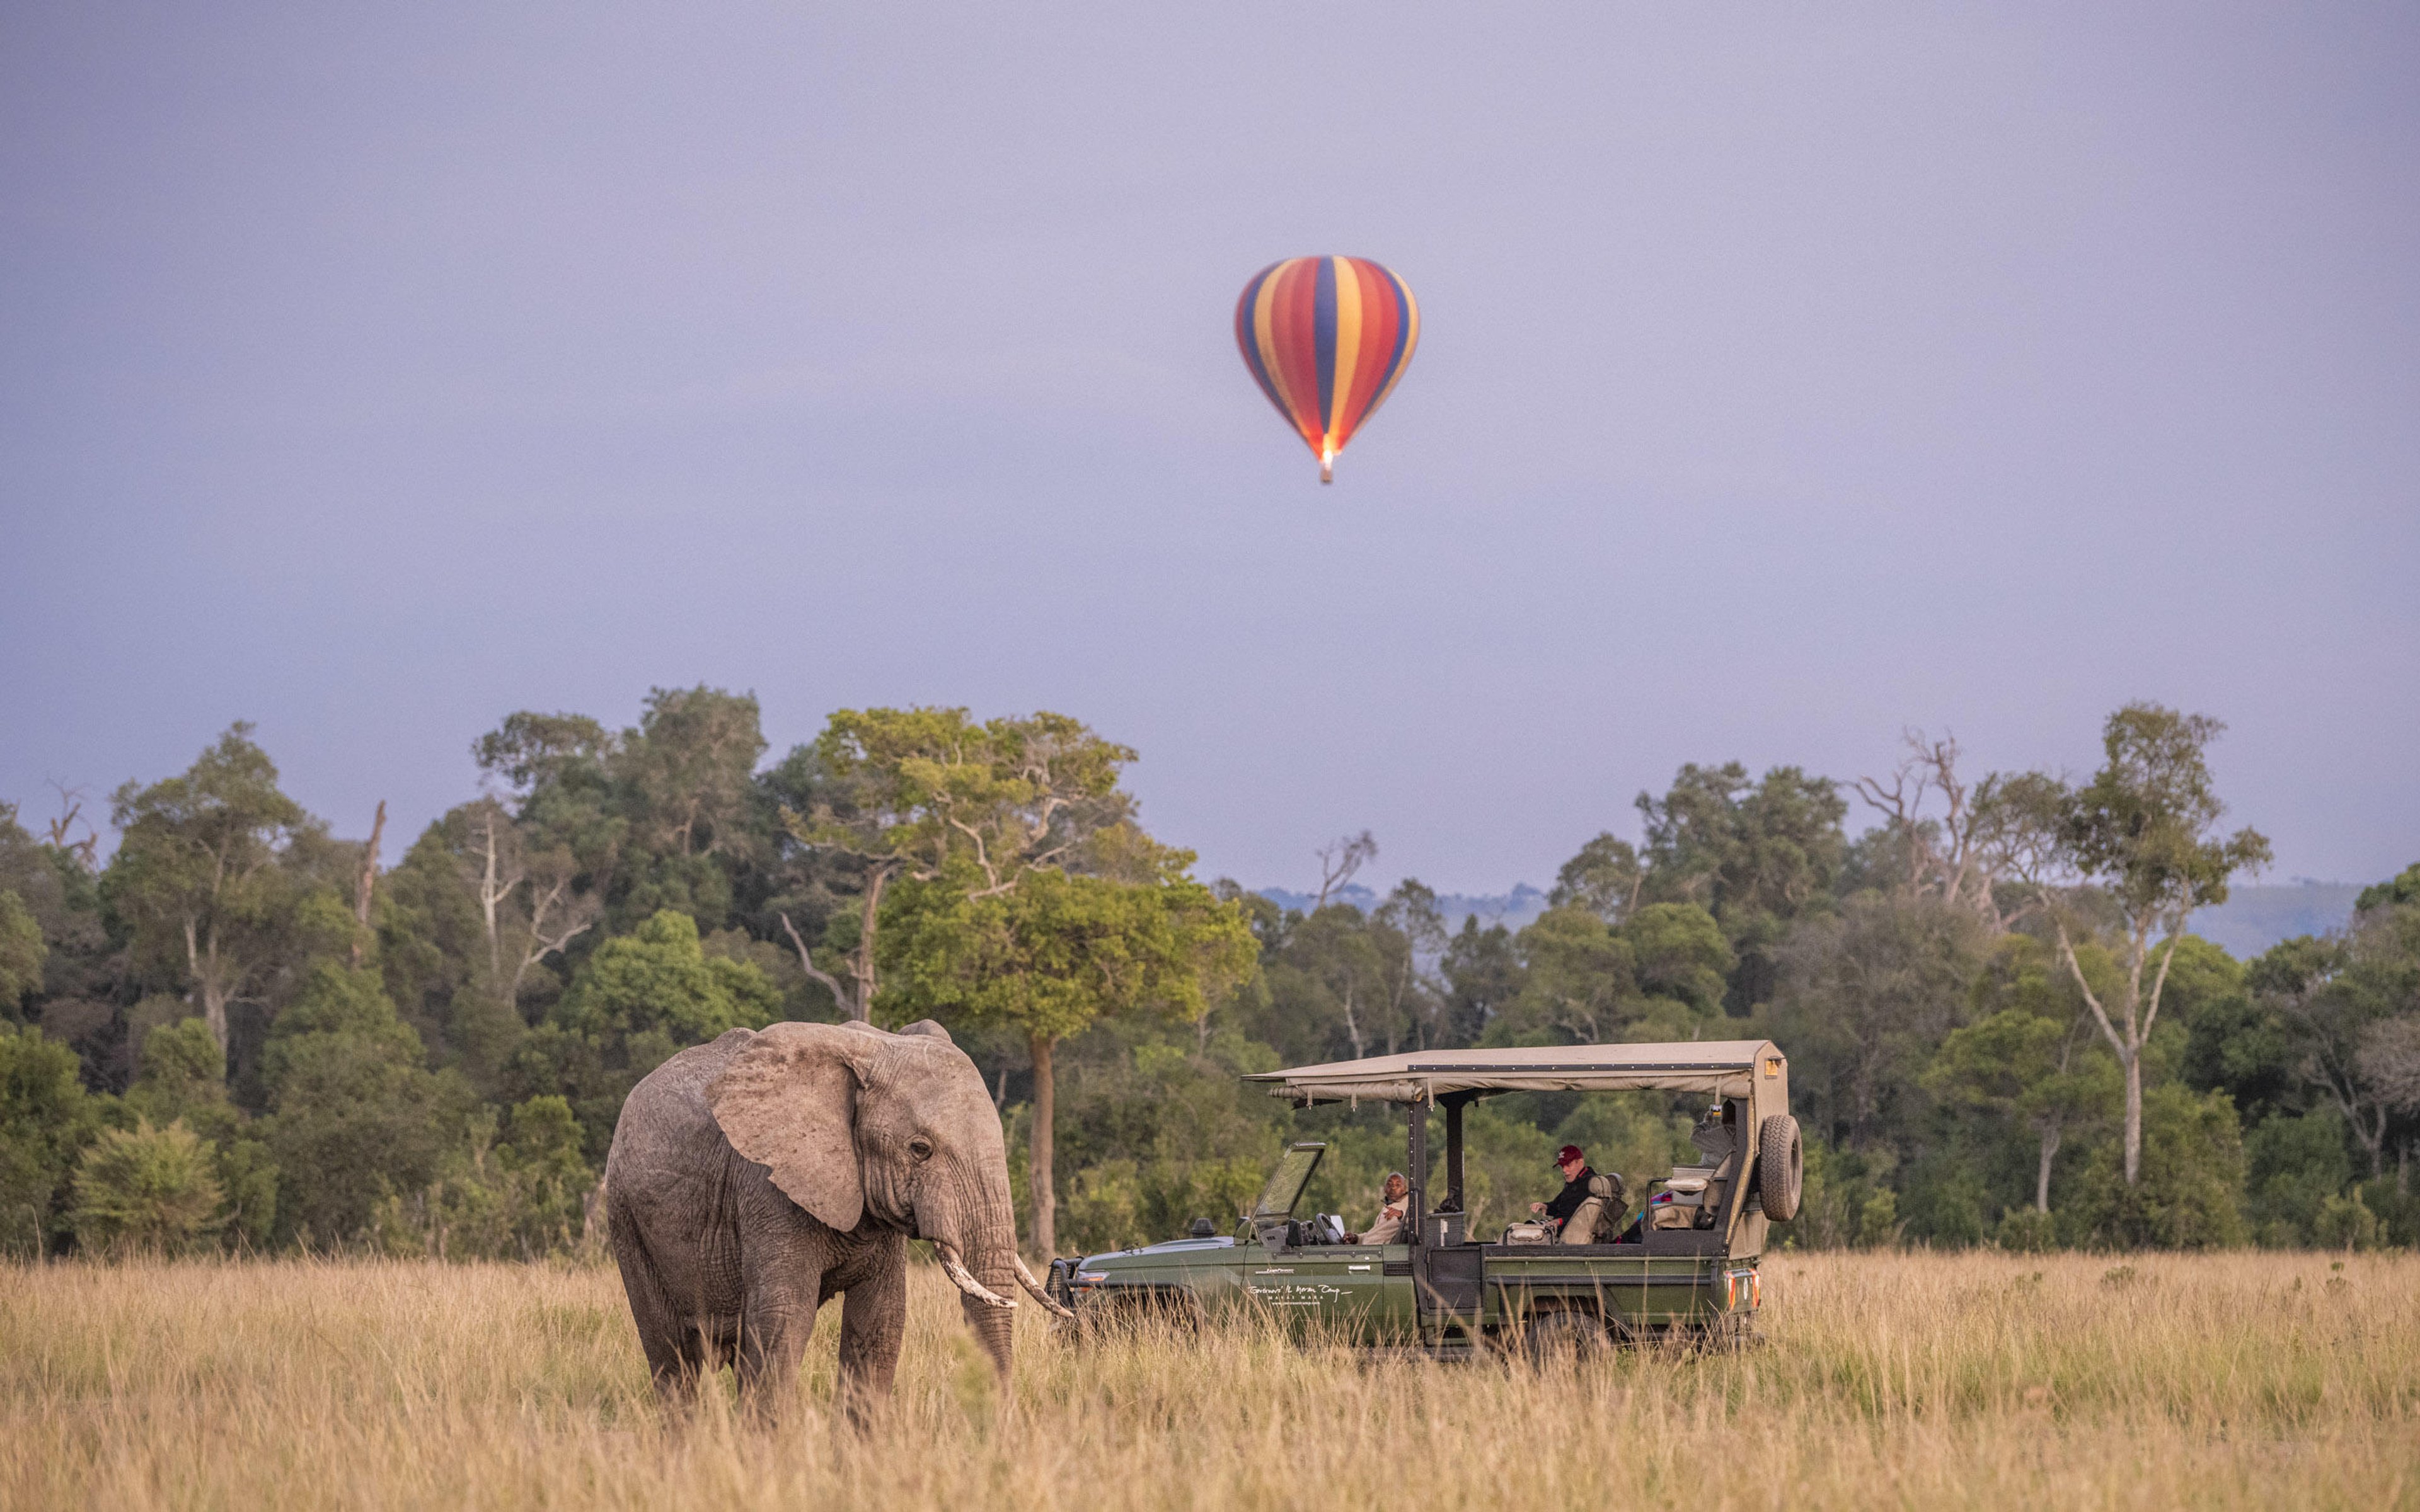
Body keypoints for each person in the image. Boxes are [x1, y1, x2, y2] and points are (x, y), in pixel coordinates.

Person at [1530, 1145, 1597, 1235]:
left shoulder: (1590, 1184)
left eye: (1569, 1165)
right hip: (1561, 1234)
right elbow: (1558, 1206)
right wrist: (1544, 1206)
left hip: (1574, 1238)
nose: (1564, 1170)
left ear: (1580, 1163)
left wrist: (1560, 1221)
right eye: (1562, 1166)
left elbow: (1585, 1218)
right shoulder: (1572, 1183)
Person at [1345, 1172, 1410, 1245]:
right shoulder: (1390, 1206)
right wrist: (1356, 1238)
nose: (1393, 1188)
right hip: (1372, 1250)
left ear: (1404, 1189)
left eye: (1398, 1185)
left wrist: (1402, 1215)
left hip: (1385, 1253)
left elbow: (1419, 1222)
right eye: (1389, 1184)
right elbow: (1376, 1236)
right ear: (1385, 1189)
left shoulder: (1409, 1204)